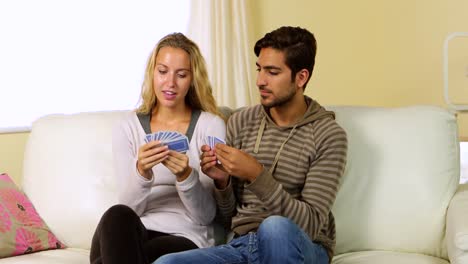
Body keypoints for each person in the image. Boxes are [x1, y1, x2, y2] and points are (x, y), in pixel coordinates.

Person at [155, 26, 348, 264]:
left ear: (301, 77)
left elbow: (309, 225)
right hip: (244, 245)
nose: (260, 81)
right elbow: (229, 219)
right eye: (259, 69)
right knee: (167, 263)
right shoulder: (241, 122)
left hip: (301, 247)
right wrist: (222, 182)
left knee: (275, 228)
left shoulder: (328, 135)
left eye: (272, 72)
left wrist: (256, 174)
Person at [89, 32, 226, 264]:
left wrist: (186, 177)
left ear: (193, 79)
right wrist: (141, 172)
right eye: (163, 72)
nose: (170, 83)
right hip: (129, 230)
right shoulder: (127, 127)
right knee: (116, 214)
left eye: (181, 75)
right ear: (152, 73)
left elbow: (205, 216)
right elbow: (130, 207)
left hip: (184, 234)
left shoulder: (210, 125)